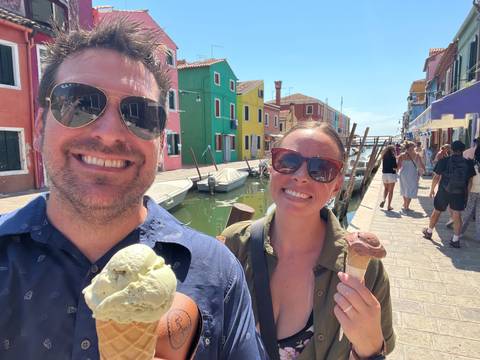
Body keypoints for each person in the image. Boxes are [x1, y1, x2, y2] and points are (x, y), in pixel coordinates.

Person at [0, 20, 266, 360]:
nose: (110, 133)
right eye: (79, 103)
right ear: (39, 127)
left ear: (158, 142)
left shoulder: (220, 273)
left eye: (140, 114)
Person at [221, 122, 395, 359]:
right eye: (288, 161)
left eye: (321, 169)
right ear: (271, 168)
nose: (301, 177)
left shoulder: (368, 273)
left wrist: (371, 349)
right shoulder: (233, 245)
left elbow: (377, 350)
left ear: (336, 185)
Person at [423, 141, 476, 248]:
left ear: (451, 149)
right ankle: (455, 239)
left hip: (444, 190)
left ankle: (429, 232)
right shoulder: (468, 163)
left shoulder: (444, 161)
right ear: (463, 150)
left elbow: (436, 177)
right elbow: (470, 181)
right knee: (457, 215)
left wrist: (432, 189)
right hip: (459, 192)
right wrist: (467, 193)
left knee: (437, 211)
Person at [397, 141, 425, 212]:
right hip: (413, 174)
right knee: (411, 189)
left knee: (404, 189)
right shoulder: (417, 155)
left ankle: (405, 204)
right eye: (413, 147)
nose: (414, 148)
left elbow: (399, 166)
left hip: (403, 174)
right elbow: (421, 165)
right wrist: (423, 170)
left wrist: (395, 172)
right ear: (410, 147)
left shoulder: (402, 155)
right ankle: (406, 206)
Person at [460, 145, 480, 240]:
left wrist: (466, 192)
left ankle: (460, 231)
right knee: (479, 214)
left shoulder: (473, 164)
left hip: (473, 190)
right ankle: (478, 235)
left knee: (468, 212)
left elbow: (470, 180)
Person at [380, 145, 398, 211]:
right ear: (392, 150)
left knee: (386, 189)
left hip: (384, 174)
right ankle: (389, 206)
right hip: (391, 174)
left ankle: (384, 200)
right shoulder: (393, 157)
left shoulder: (384, 157)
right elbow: (395, 167)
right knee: (391, 191)